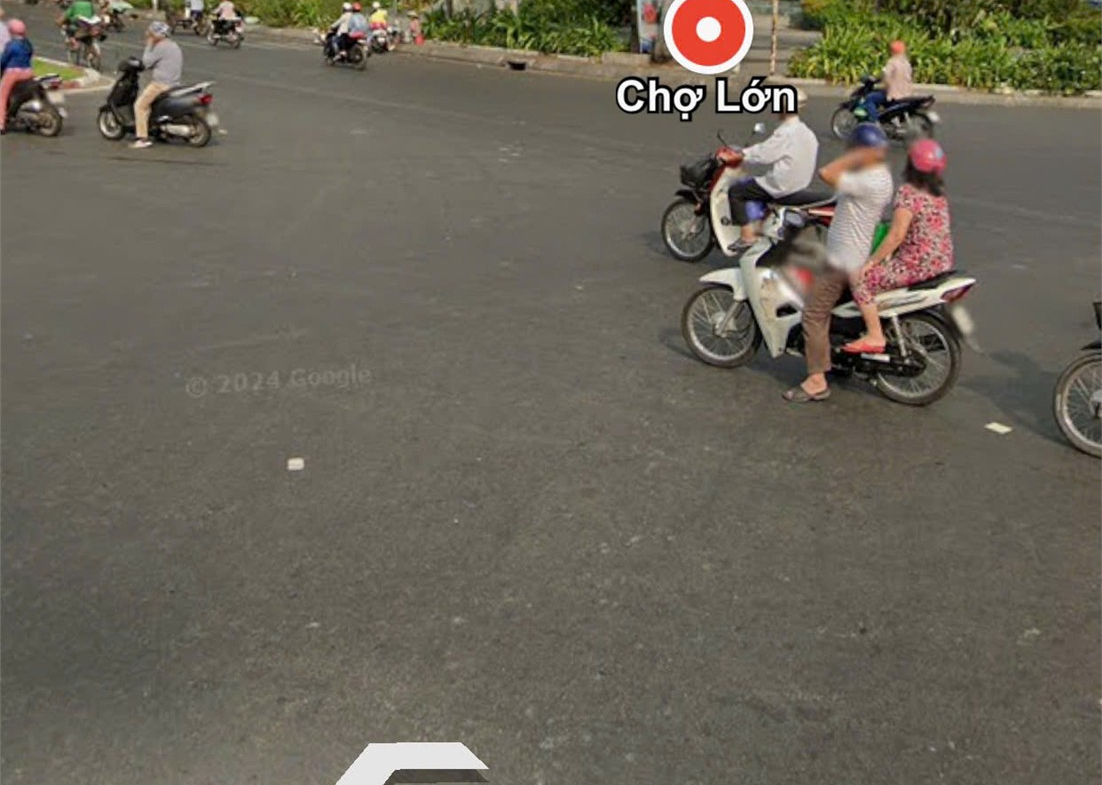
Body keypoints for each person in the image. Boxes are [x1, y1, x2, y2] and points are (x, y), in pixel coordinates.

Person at [783, 123, 893, 403]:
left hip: (843, 261)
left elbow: (826, 173)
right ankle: (837, 357)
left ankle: (816, 380)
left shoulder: (868, 181)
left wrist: (853, 156)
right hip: (852, 253)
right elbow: (842, 203)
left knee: (813, 313)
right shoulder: (880, 177)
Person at [842, 140, 953, 353]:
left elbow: (896, 235)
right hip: (941, 262)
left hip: (916, 266)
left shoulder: (909, 193)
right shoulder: (939, 193)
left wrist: (871, 262)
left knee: (858, 279)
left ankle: (875, 335)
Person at [723, 85, 818, 253]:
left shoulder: (786, 132)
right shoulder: (808, 133)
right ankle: (761, 226)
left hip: (781, 186)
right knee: (757, 183)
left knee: (736, 191)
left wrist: (742, 154)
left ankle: (747, 237)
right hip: (800, 184)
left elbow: (765, 153)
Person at [131, 21, 183, 149]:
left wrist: (149, 46)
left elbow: (146, 63)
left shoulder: (160, 47)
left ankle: (142, 138)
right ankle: (160, 132)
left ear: (156, 35)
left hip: (161, 84)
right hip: (175, 83)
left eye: (150, 34)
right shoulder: (173, 45)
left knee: (140, 106)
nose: (148, 36)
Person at [865, 40, 913, 122]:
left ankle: (874, 121)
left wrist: (876, 79)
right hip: (906, 94)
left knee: (869, 98)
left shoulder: (892, 62)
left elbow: (885, 75)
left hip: (894, 95)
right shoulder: (906, 63)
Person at [0, 19, 33, 134]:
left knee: (2, 96)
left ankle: (1, 124)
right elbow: (30, 54)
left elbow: (3, 60)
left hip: (13, 73)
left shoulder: (11, 45)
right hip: (28, 72)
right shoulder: (27, 44)